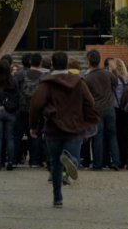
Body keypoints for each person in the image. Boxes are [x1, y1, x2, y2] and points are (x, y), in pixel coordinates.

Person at [29, 51, 99, 208]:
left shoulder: (47, 83)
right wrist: (88, 118)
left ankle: (57, 198)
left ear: (52, 64)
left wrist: (34, 126)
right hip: (74, 125)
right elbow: (90, 101)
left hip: (53, 126)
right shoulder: (79, 82)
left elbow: (36, 104)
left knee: (55, 163)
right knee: (73, 155)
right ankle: (71, 159)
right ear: (67, 63)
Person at [84, 50, 121, 170]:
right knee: (112, 135)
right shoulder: (107, 74)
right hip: (110, 107)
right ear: (100, 60)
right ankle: (116, 161)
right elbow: (116, 83)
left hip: (97, 109)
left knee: (98, 136)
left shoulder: (87, 78)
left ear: (89, 61)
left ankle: (98, 164)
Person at [15, 53, 47, 167]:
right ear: (40, 63)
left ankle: (15, 159)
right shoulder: (44, 76)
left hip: (21, 108)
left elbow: (15, 90)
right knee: (36, 135)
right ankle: (35, 161)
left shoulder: (19, 74)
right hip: (38, 109)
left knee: (17, 135)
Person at [0, 59, 19, 171]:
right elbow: (17, 96)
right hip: (10, 111)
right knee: (10, 137)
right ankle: (10, 161)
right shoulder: (13, 80)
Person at [111, 59, 128, 169]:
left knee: (117, 135)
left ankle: (118, 159)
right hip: (126, 109)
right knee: (125, 135)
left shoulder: (114, 79)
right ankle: (125, 159)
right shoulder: (127, 79)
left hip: (116, 109)